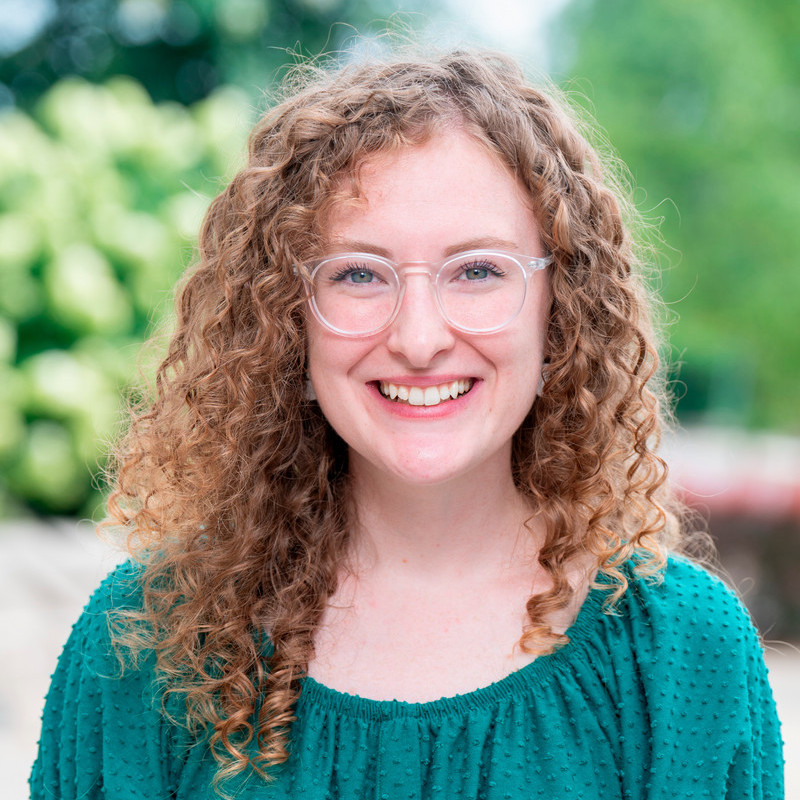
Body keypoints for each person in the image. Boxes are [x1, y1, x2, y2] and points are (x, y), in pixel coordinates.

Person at [31, 47, 783, 799]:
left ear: (564, 306)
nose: (419, 338)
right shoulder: (145, 644)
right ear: (284, 315)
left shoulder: (683, 654)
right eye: (358, 273)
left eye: (478, 271)